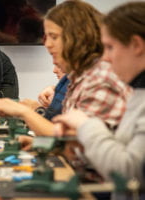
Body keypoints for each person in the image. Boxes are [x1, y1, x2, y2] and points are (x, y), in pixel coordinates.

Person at [0, 0, 131, 136]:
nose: (47, 44)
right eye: (46, 38)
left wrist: (25, 112)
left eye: (54, 37)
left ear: (78, 37)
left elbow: (79, 140)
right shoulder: (78, 77)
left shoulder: (101, 79)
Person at [51, 1, 145, 186]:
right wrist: (79, 144)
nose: (106, 58)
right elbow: (121, 151)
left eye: (110, 47)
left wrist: (86, 125)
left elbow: (130, 174)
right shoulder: (138, 93)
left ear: (136, 45)